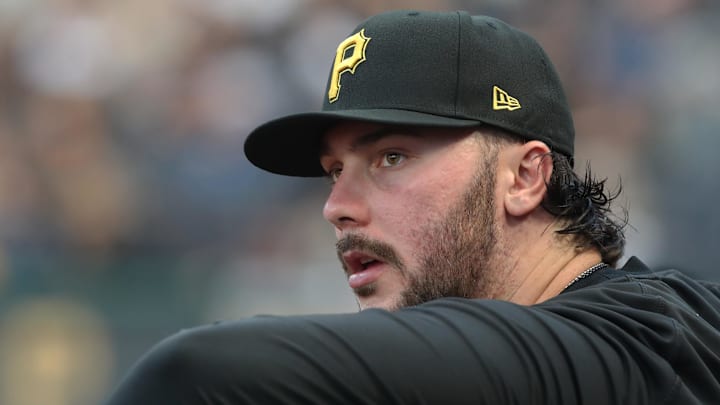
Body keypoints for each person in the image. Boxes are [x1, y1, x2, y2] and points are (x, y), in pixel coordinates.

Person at [105, 10, 720, 404]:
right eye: (333, 173)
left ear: (526, 177)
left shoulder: (649, 340)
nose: (337, 208)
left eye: (391, 158)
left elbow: (201, 374)